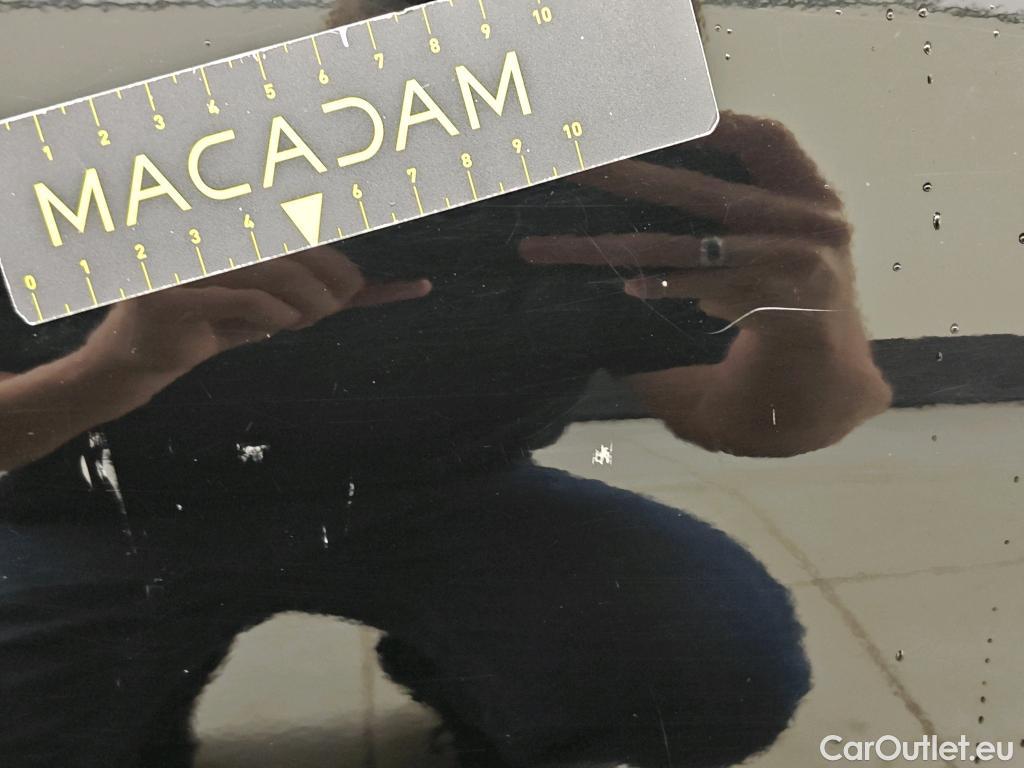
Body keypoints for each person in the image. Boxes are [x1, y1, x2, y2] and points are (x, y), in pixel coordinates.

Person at [0, 1, 892, 765]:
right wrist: (113, 366)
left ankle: (470, 677)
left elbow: (742, 424)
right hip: (92, 514)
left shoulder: (614, 190)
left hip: (445, 496)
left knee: (711, 670)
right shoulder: (118, 168)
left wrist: (811, 319)